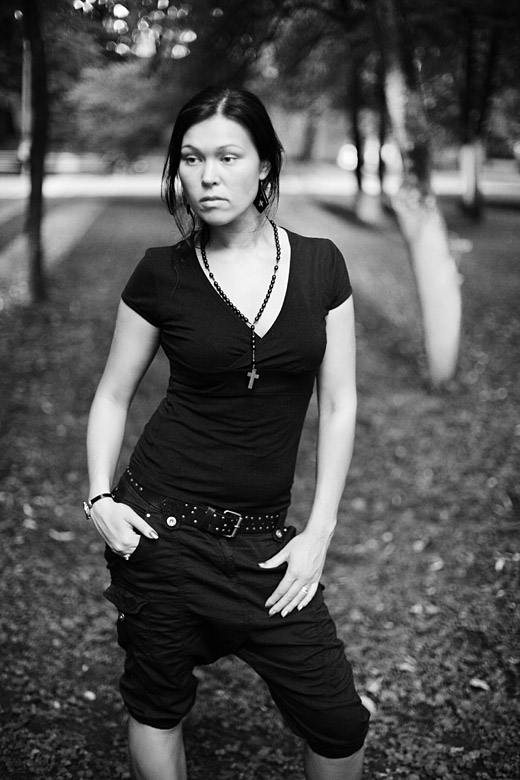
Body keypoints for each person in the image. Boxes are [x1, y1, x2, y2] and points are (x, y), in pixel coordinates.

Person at [84, 86, 370, 780]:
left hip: (266, 543)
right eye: (191, 158)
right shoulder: (161, 274)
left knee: (339, 723)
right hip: (162, 530)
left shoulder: (322, 265)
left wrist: (319, 533)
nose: (207, 176)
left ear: (265, 165)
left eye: (228, 157)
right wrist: (99, 499)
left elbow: (339, 403)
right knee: (158, 708)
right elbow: (113, 394)